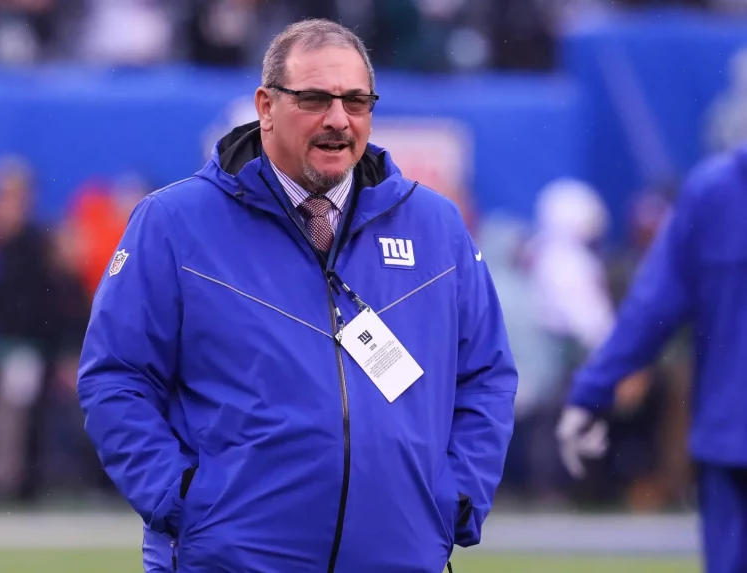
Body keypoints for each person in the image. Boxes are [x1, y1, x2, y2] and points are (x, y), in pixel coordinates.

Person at [77, 18, 517, 573]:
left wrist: (456, 498)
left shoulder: (435, 225)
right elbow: (115, 377)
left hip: (397, 556)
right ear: (266, 106)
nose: (338, 119)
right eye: (314, 99)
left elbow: (486, 374)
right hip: (234, 560)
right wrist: (182, 499)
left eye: (355, 101)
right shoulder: (174, 224)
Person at [556, 148, 747, 573]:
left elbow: (652, 305)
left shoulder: (714, 190)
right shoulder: (714, 191)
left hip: (730, 437)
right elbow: (652, 306)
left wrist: (591, 391)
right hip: (728, 441)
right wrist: (591, 390)